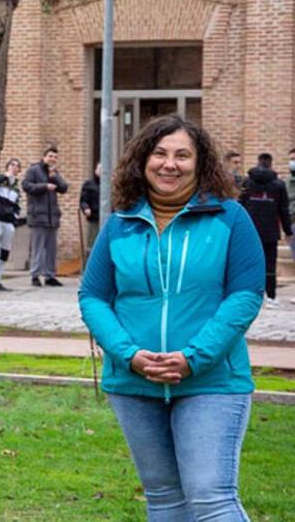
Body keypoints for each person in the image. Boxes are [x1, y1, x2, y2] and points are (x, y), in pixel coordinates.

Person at [79, 114, 264, 521]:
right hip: (133, 382)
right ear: (143, 161)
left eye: (183, 155)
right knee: (163, 498)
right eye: (160, 153)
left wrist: (194, 357)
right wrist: (129, 354)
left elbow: (245, 295)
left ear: (200, 164)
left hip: (211, 380)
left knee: (210, 497)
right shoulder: (120, 224)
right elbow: (93, 296)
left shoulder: (230, 218)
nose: (170, 164)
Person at [240, 153, 292, 308]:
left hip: (249, 231)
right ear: (270, 163)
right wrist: (288, 231)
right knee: (270, 264)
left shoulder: (247, 183)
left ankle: (249, 294)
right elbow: (283, 210)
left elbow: (240, 207)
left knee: (248, 263)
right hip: (271, 231)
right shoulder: (278, 185)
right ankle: (270, 295)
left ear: (258, 162)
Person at [22, 146, 69, 286]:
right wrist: (44, 186)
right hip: (38, 216)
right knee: (38, 247)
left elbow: (64, 188)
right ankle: (35, 275)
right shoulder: (34, 170)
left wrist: (56, 178)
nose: (52, 159)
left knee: (51, 248)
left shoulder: (54, 172)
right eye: (50, 156)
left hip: (52, 217)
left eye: (55, 157)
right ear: (44, 157)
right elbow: (26, 185)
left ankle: (49, 276)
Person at [0, 158, 22, 291]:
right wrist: (3, 178)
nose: (14, 168)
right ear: (7, 166)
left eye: (17, 166)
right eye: (12, 165)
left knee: (5, 251)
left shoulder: (16, 187)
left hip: (8, 222)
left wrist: (14, 219)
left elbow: (17, 205)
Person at [79, 163, 102, 256]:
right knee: (92, 244)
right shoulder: (89, 184)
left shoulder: (111, 183)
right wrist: (86, 209)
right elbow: (83, 200)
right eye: (100, 169)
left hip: (109, 219)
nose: (102, 172)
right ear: (95, 170)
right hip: (94, 219)